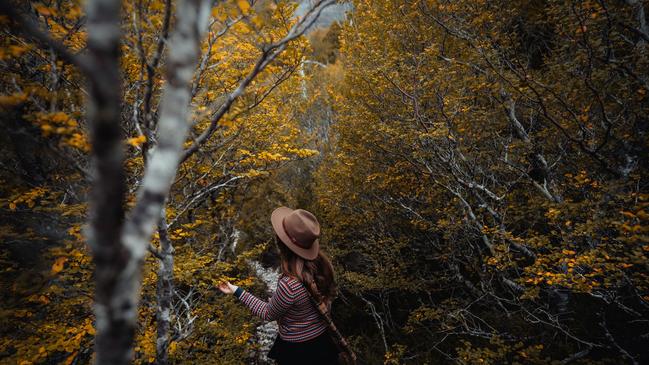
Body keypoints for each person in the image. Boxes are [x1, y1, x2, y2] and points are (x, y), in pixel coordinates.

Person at [218, 207, 339, 365]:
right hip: (324, 343)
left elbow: (268, 313)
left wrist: (237, 291)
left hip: (298, 352)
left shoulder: (290, 284)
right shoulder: (323, 266)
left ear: (282, 245)